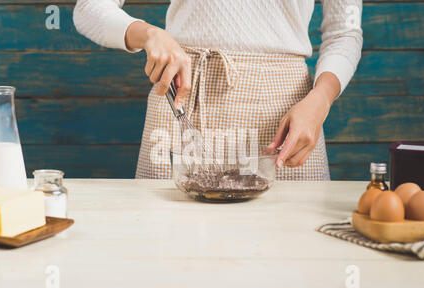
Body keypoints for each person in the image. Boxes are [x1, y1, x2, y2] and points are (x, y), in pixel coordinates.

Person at [73, 0, 363, 180]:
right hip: (185, 96)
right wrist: (148, 34)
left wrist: (321, 100)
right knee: (165, 250)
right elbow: (89, 7)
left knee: (295, 255)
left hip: (288, 116)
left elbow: (345, 32)